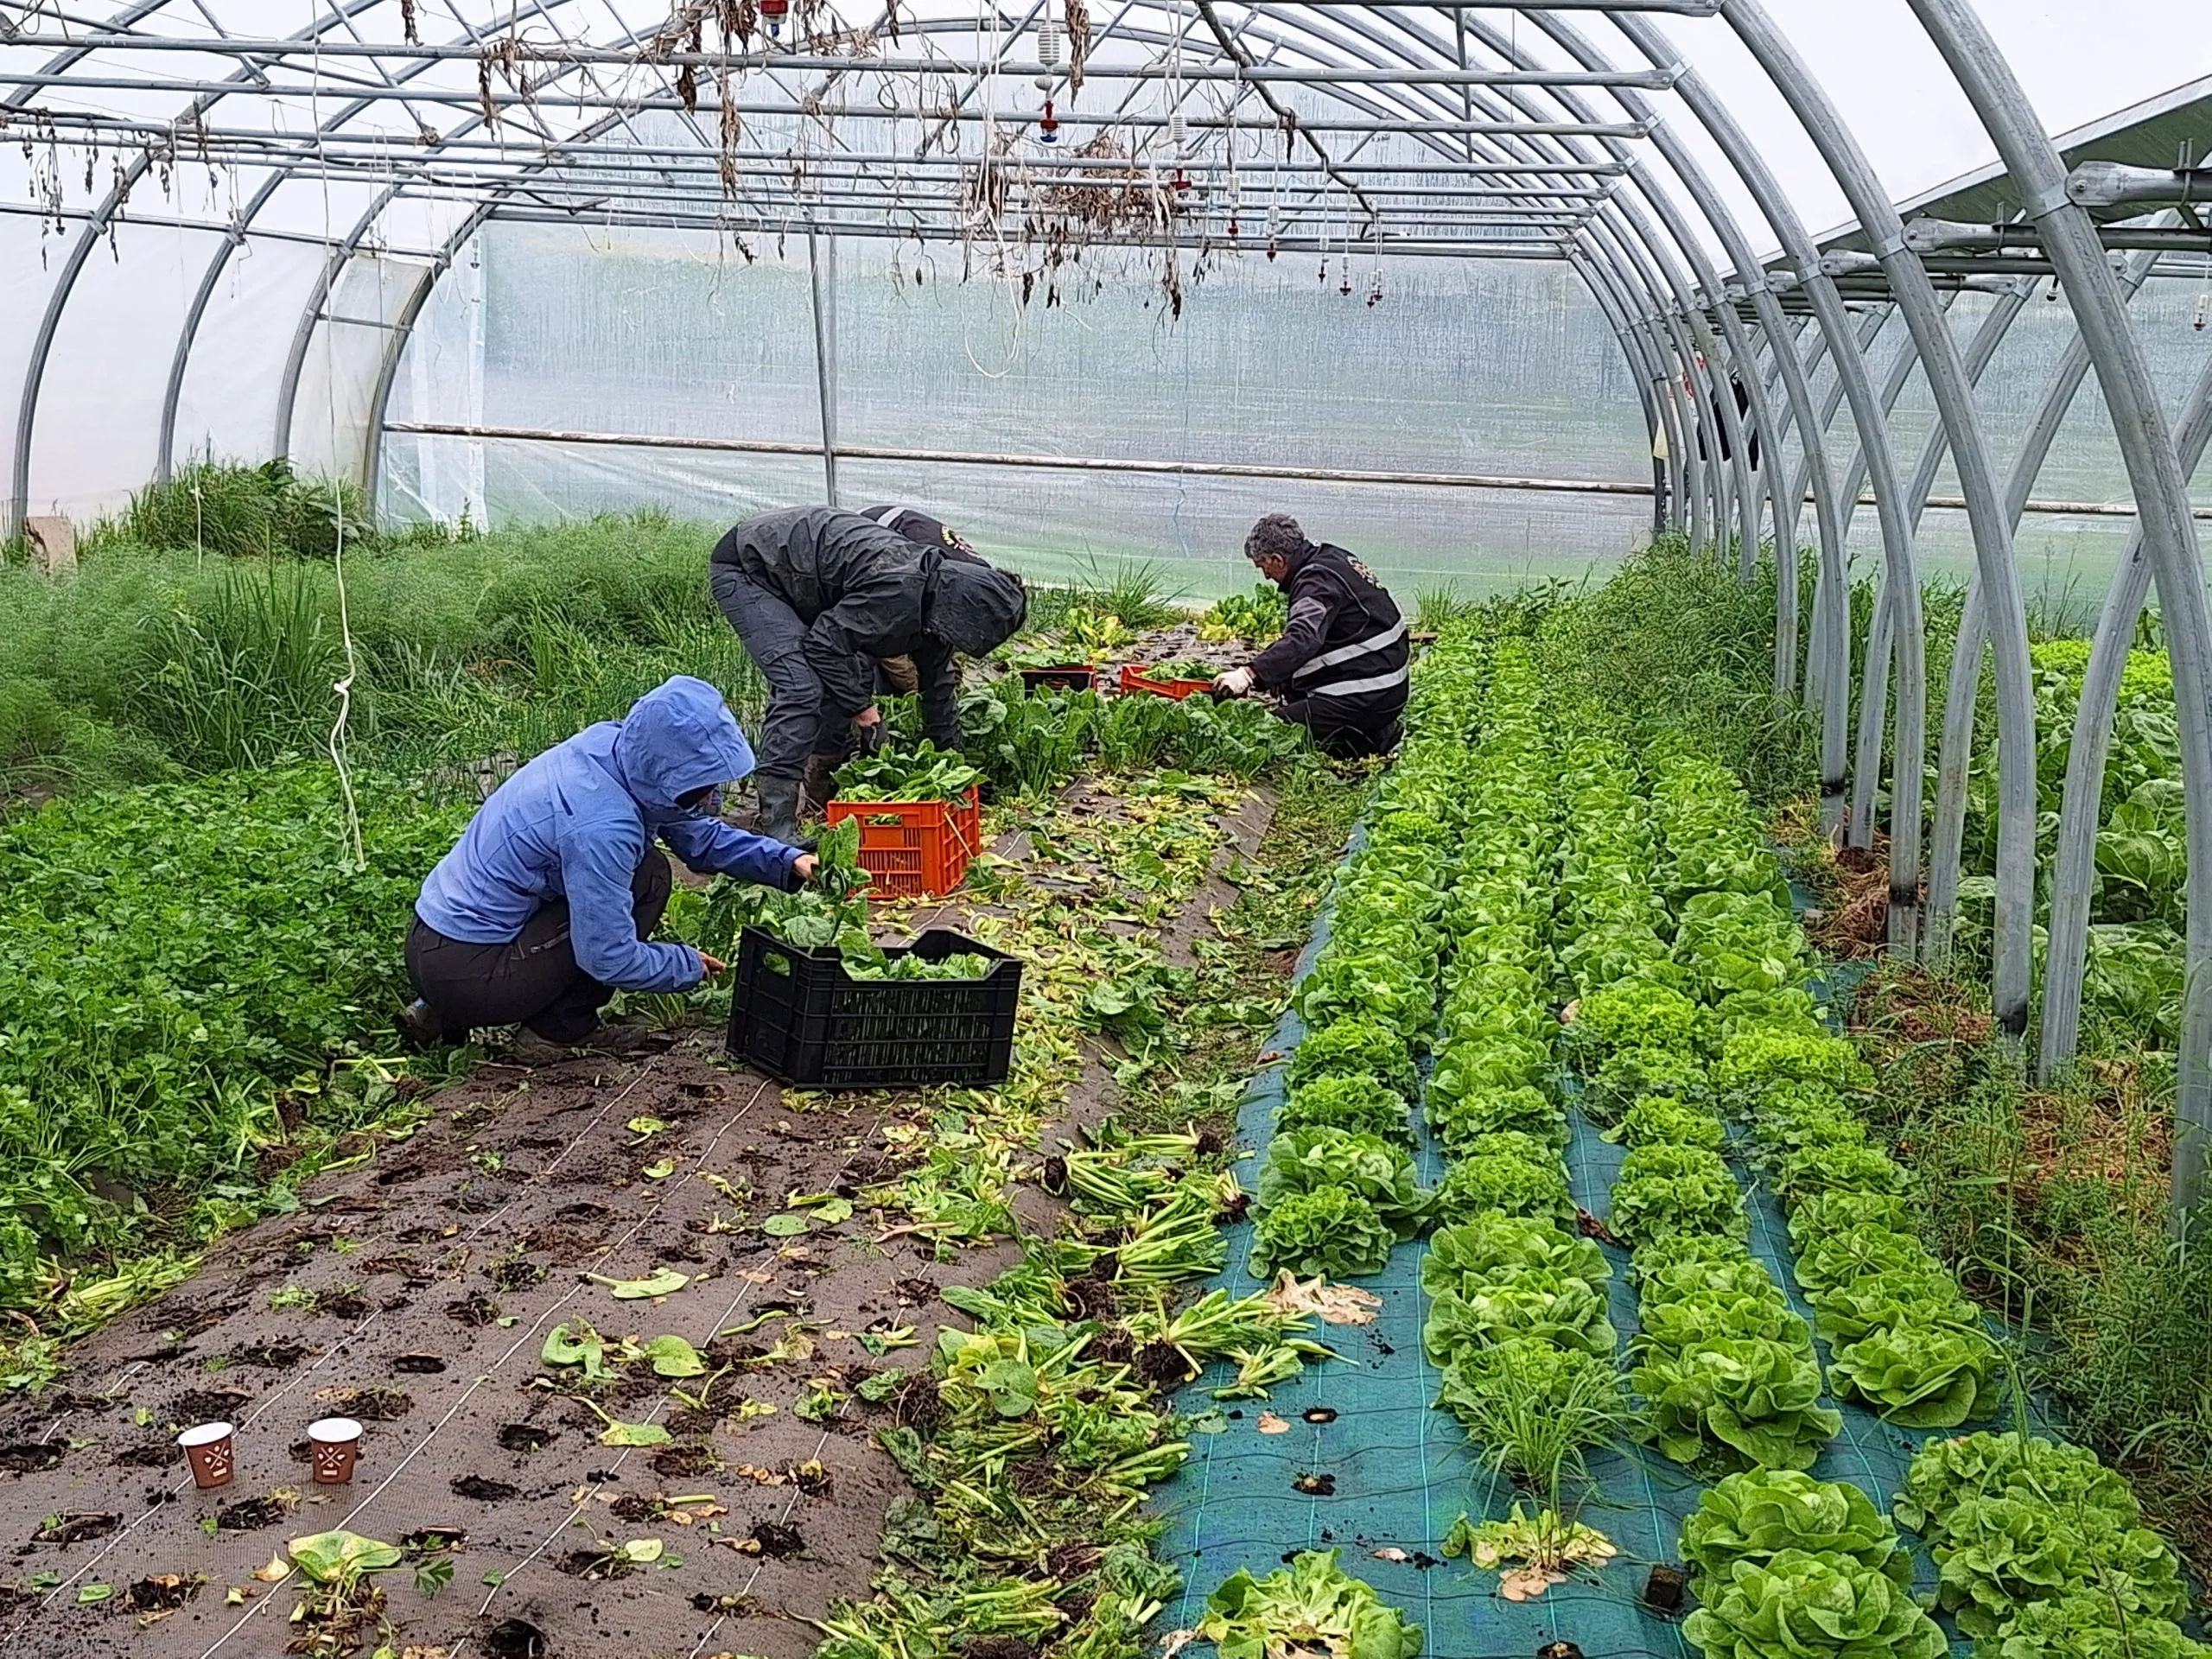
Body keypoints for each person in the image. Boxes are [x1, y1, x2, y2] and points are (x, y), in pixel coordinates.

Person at [397, 675, 816, 1061]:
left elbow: (696, 834)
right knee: (648, 878)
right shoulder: (603, 827)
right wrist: (684, 965)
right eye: (702, 787)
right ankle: (557, 1031)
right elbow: (606, 956)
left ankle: (438, 1009)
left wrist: (786, 861)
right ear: (669, 773)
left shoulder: (613, 750)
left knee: (635, 871)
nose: (711, 799)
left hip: (432, 940)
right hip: (468, 969)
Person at [709, 505, 1029, 843]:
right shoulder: (900, 590)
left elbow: (938, 690)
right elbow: (822, 645)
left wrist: (955, 774)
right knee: (801, 687)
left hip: (807, 578)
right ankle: (777, 828)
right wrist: (866, 712)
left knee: (846, 675)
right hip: (752, 567)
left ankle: (824, 796)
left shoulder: (937, 605)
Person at [1212, 514, 1408, 759]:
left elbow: (1303, 638)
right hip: (1388, 681)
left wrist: (1249, 674)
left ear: (1278, 559)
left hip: (1370, 692)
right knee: (1289, 689)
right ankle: (1370, 731)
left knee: (1270, 731)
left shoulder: (1316, 581)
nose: (1265, 576)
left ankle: (1363, 738)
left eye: (1263, 567)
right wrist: (1275, 677)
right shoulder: (1331, 557)